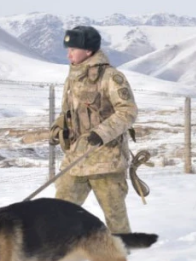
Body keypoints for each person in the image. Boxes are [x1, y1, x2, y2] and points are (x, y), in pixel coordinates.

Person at [49, 25, 138, 233]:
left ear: (88, 51)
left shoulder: (111, 77)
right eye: (68, 49)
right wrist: (59, 128)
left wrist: (101, 133)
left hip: (106, 161)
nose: (68, 54)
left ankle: (122, 251)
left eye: (73, 49)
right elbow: (69, 112)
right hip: (76, 159)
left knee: (116, 221)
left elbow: (128, 111)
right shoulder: (72, 77)